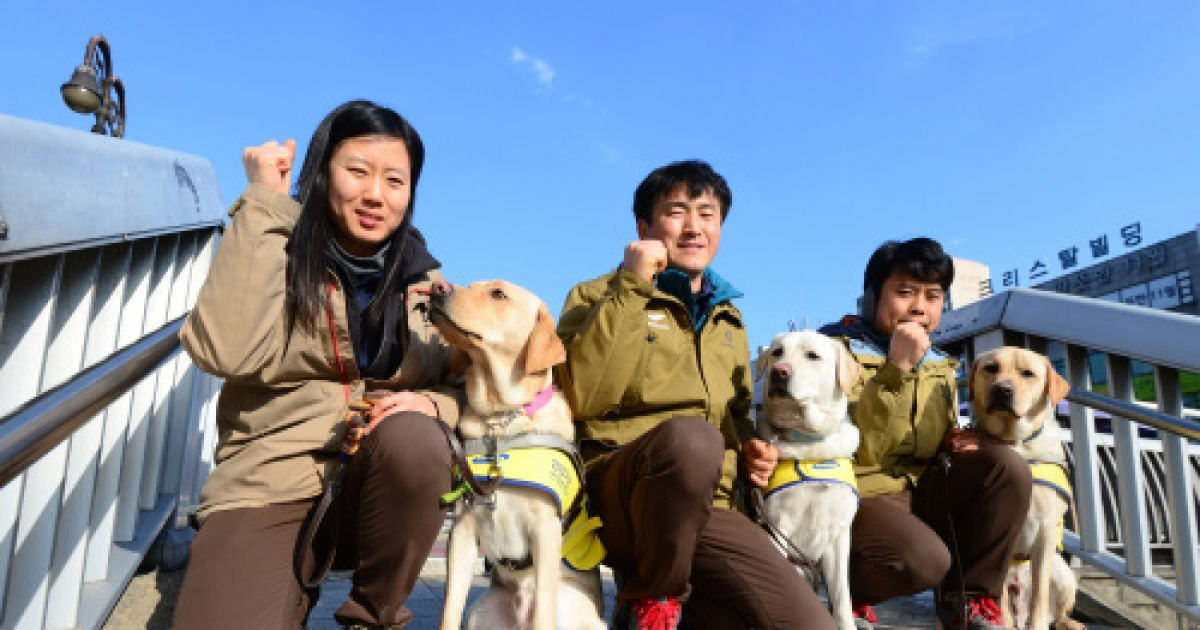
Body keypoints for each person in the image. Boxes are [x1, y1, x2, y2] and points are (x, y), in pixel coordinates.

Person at [174, 100, 461, 629]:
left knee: (418, 437)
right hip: (270, 481)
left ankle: (372, 617)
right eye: (357, 171)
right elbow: (223, 350)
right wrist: (263, 202)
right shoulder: (277, 245)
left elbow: (470, 384)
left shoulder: (427, 281)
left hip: (378, 497)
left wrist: (433, 402)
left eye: (395, 180)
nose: (375, 194)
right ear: (323, 169)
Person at [556, 160, 834, 630]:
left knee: (807, 623)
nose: (693, 228)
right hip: (624, 492)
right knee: (692, 439)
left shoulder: (730, 318)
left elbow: (739, 413)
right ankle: (651, 600)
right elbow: (582, 396)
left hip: (710, 501)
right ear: (644, 227)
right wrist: (632, 286)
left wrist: (752, 448)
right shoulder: (597, 294)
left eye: (707, 214)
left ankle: (681, 598)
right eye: (676, 212)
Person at [818, 237, 1032, 630]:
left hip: (923, 486)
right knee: (921, 560)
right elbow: (863, 447)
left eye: (934, 296)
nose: (920, 306)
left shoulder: (940, 365)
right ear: (871, 297)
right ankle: (849, 593)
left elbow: (936, 435)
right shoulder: (831, 350)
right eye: (904, 292)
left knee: (1006, 467)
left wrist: (968, 440)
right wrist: (896, 368)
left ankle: (969, 602)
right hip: (861, 488)